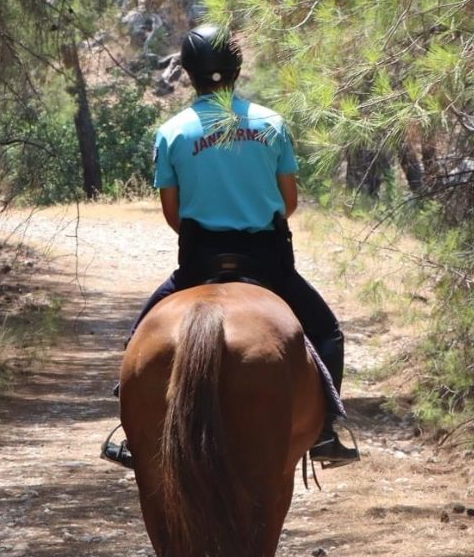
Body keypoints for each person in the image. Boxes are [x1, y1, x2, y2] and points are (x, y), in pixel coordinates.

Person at [102, 25, 358, 467]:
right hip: (268, 262)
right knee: (328, 333)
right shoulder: (271, 123)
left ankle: (132, 434)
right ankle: (322, 432)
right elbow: (289, 202)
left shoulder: (172, 132)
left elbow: (172, 215)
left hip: (199, 262)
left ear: (188, 73)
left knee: (139, 341)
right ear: (237, 69)